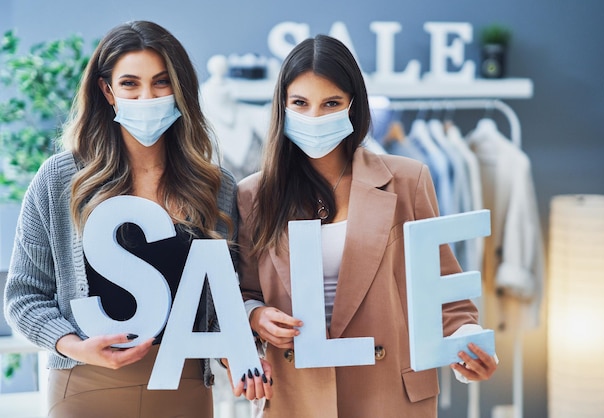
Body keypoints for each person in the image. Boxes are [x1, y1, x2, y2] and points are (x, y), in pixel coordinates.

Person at [3, 20, 271, 418]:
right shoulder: (59, 180)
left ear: (180, 91)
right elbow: (24, 296)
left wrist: (237, 355)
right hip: (86, 385)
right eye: (130, 83)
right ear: (107, 91)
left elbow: (220, 302)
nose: (147, 96)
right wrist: (75, 346)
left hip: (184, 387)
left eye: (161, 82)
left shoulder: (216, 187)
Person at [236, 34, 497, 418]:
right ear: (283, 107)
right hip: (298, 396)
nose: (315, 117)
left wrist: (467, 344)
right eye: (300, 104)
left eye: (331, 104)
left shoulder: (408, 180)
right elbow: (243, 292)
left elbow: (444, 296)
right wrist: (255, 317)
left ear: (353, 106)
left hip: (388, 395)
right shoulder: (254, 195)